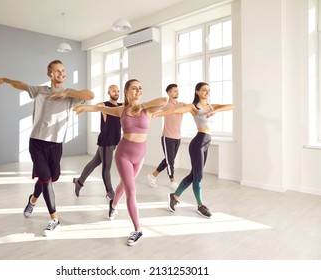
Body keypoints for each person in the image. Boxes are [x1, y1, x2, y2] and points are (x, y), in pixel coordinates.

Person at [0, 60, 94, 236]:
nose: (61, 74)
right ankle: (54, 219)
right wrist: (6, 79)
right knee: (46, 179)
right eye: (57, 71)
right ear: (49, 73)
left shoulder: (70, 95)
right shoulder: (40, 91)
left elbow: (90, 95)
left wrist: (67, 93)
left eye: (63, 71)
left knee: (47, 178)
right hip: (37, 142)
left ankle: (32, 200)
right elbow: (22, 85)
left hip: (56, 145)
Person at [74, 79, 168, 246]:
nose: (138, 90)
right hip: (123, 154)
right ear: (126, 91)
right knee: (131, 191)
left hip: (140, 155)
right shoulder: (121, 110)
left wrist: (143, 105)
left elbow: (165, 100)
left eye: (140, 88)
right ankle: (137, 229)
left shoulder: (149, 109)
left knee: (124, 186)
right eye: (134, 88)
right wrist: (85, 107)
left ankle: (113, 204)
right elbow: (100, 108)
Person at [157, 82, 234, 218]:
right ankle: (200, 205)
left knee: (193, 175)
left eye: (208, 90)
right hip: (198, 142)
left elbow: (232, 106)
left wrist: (216, 110)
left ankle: (174, 197)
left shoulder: (211, 106)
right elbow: (174, 111)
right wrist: (154, 114)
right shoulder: (194, 107)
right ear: (197, 92)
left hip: (207, 142)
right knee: (198, 177)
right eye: (204, 90)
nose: (207, 93)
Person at [73, 85, 122, 200]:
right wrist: (83, 107)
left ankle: (79, 182)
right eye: (114, 90)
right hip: (106, 142)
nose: (116, 92)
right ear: (108, 92)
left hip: (114, 141)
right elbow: (93, 107)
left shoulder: (121, 106)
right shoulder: (104, 105)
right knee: (106, 168)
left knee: (95, 162)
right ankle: (110, 192)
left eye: (118, 91)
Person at [147, 83, 185, 190]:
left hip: (178, 137)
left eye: (177, 91)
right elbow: (154, 109)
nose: (177, 92)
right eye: (174, 91)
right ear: (169, 92)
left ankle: (152, 176)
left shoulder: (181, 104)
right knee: (170, 161)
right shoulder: (165, 104)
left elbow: (192, 108)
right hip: (167, 137)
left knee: (169, 159)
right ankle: (172, 181)